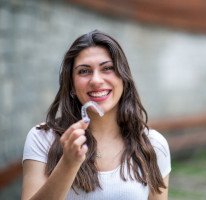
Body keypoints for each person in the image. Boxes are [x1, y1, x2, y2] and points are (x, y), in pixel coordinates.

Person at [22, 30, 171, 200]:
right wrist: (68, 163)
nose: (96, 80)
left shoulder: (153, 145)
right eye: (84, 71)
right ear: (71, 84)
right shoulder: (42, 138)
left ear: (123, 77)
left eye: (107, 68)